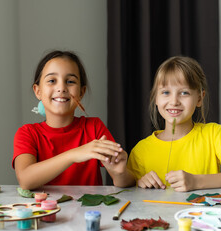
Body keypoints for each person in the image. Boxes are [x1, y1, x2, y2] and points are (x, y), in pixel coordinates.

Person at [13, 50, 135, 190]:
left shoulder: (94, 127)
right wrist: (74, 155)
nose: (61, 88)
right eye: (52, 81)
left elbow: (124, 182)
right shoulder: (27, 133)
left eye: (70, 81)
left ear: (81, 92)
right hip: (44, 212)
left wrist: (120, 173)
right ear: (38, 91)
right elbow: (25, 180)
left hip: (90, 212)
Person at [127, 56, 221, 192]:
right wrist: (140, 183)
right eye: (166, 92)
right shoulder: (140, 151)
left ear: (199, 98)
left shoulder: (214, 134)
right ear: (156, 98)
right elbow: (131, 195)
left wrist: (196, 181)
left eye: (184, 93)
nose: (174, 101)